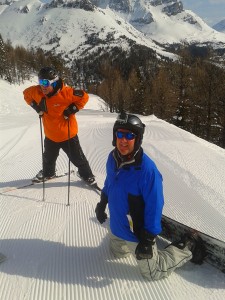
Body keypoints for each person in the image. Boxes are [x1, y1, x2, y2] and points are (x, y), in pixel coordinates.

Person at [95, 111, 205, 281]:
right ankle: (124, 239)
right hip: (118, 226)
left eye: (129, 135)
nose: (123, 140)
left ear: (137, 139)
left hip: (135, 231)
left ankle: (188, 246)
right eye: (120, 133)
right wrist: (103, 201)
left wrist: (147, 238)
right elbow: (110, 183)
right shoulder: (112, 158)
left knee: (153, 272)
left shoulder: (147, 171)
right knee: (116, 253)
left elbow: (155, 205)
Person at [23, 66, 95, 184]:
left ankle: (87, 175)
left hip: (68, 135)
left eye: (45, 82)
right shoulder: (37, 92)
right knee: (48, 159)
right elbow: (26, 94)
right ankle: (48, 173)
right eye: (40, 81)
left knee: (78, 159)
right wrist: (36, 107)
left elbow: (84, 97)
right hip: (50, 135)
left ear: (54, 82)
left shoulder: (66, 93)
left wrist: (72, 109)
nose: (42, 86)